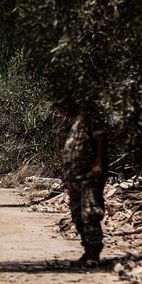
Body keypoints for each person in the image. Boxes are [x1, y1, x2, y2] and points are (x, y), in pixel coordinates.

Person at [54, 99, 106, 266]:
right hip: (73, 177)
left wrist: (98, 163)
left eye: (61, 107)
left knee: (90, 213)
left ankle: (94, 254)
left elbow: (101, 138)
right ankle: (86, 250)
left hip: (88, 176)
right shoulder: (70, 123)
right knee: (77, 216)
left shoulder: (88, 119)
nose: (60, 112)